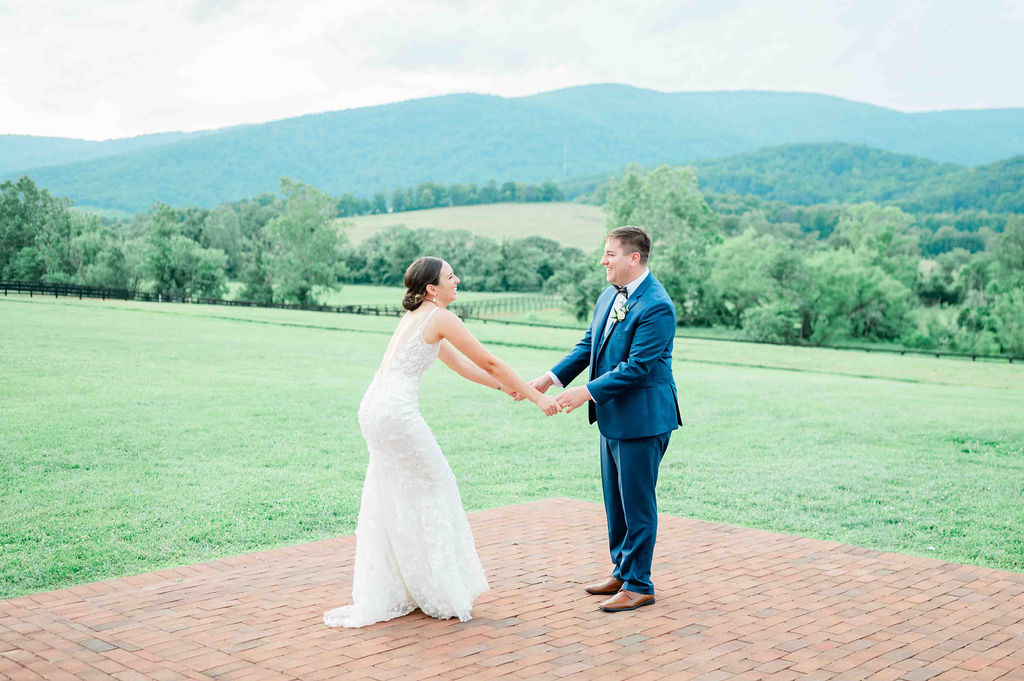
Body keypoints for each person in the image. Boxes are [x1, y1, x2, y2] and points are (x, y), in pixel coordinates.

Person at [324, 256, 560, 628]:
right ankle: (439, 589)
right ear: (432, 288)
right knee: (438, 486)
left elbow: (463, 366)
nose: (458, 280)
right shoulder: (441, 317)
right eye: (450, 277)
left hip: (374, 408)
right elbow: (491, 361)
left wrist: (505, 390)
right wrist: (537, 396)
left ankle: (407, 587)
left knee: (396, 494)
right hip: (395, 413)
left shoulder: (420, 316)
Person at [527, 225, 681, 612]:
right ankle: (622, 570)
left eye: (610, 254)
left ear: (634, 258)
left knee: (637, 505)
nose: (603, 260)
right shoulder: (609, 295)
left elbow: (638, 368)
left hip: (644, 420)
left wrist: (586, 392)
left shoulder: (657, 305)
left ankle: (639, 584)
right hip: (613, 417)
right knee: (615, 502)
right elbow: (588, 344)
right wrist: (551, 378)